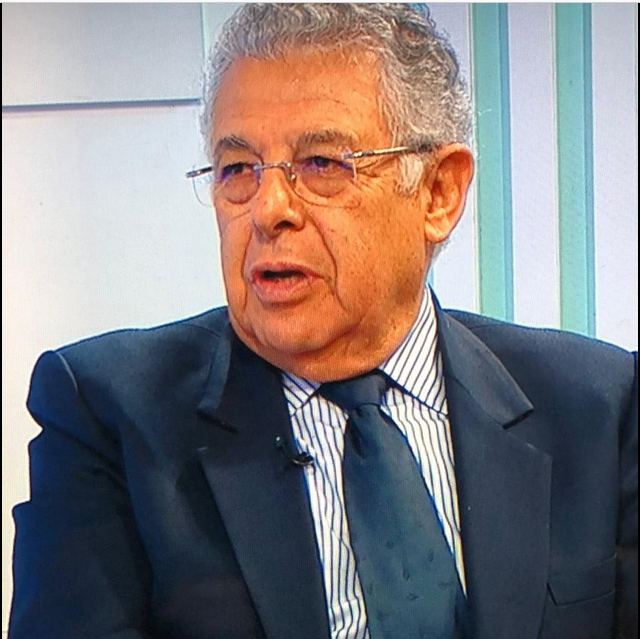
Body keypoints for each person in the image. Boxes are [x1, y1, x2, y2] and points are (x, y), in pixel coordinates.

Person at [9, 4, 637, 639]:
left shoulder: (600, 408)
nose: (268, 210)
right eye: (238, 170)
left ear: (439, 193)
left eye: (322, 164)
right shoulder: (106, 415)